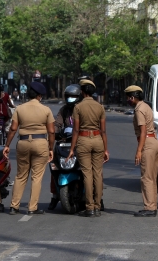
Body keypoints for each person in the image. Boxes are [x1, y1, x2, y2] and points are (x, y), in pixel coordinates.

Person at [3, 81, 55, 215]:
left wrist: (7, 145)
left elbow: (13, 129)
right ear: (39, 96)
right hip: (40, 143)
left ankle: (14, 206)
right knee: (36, 177)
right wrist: (50, 148)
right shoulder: (46, 110)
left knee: (21, 175)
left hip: (23, 143)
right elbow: (51, 132)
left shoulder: (20, 108)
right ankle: (32, 207)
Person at [67, 79, 109, 217]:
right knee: (98, 174)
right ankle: (97, 206)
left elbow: (76, 130)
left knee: (87, 174)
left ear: (82, 92)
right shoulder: (100, 107)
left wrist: (72, 148)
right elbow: (103, 131)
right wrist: (106, 149)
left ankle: (89, 207)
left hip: (83, 140)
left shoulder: (78, 107)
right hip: (98, 140)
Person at [125, 85, 158, 217]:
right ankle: (152, 205)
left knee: (146, 177)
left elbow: (143, 131)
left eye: (129, 98)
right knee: (152, 177)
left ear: (133, 97)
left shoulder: (139, 110)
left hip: (147, 143)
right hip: (155, 142)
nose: (128, 100)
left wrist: (139, 151)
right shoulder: (146, 106)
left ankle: (149, 208)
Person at [48, 84, 81, 210]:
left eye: (73, 96)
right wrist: (55, 132)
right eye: (68, 96)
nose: (70, 99)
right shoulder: (64, 110)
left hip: (80, 142)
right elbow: (57, 123)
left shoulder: (82, 109)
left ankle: (96, 197)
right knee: (54, 165)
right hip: (64, 141)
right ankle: (55, 195)